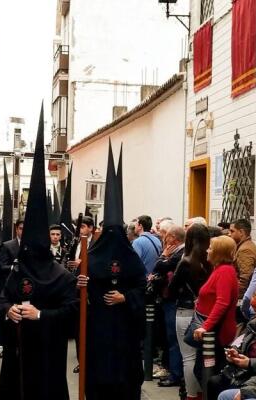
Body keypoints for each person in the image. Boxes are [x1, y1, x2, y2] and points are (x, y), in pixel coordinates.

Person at [0, 105, 78, 399]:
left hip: (47, 349)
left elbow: (71, 311)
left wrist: (40, 314)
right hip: (18, 347)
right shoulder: (19, 270)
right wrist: (11, 310)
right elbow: (4, 296)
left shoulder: (62, 276)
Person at [77, 141, 147, 400]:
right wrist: (81, 283)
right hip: (98, 326)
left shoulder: (131, 259)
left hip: (125, 328)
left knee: (125, 375)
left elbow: (142, 286)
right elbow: (79, 288)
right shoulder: (91, 256)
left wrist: (125, 297)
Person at [192, 235, 240, 398]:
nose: (207, 250)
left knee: (208, 372)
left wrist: (206, 326)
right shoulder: (220, 269)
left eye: (211, 248)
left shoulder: (224, 271)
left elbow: (222, 302)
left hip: (216, 333)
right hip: (213, 331)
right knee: (204, 370)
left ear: (219, 252)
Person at [169, 223, 212, 400]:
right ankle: (202, 392)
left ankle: (192, 395)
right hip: (205, 314)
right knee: (202, 357)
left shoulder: (185, 262)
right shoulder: (209, 263)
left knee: (188, 357)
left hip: (186, 311)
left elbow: (171, 290)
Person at [152, 225, 186, 388]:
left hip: (173, 300)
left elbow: (161, 266)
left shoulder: (178, 254)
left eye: (167, 236)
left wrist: (162, 257)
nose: (164, 238)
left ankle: (175, 374)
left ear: (174, 238)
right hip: (170, 300)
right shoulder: (178, 252)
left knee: (173, 339)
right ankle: (173, 371)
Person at [0, 219, 23, 354]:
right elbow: (0, 266)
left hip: (24, 287)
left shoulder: (32, 245)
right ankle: (5, 346)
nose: (23, 231)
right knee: (5, 315)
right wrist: (14, 267)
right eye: (21, 228)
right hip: (6, 284)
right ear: (16, 229)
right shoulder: (7, 245)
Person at [229, 219, 256, 302]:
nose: (229, 234)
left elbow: (245, 279)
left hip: (242, 298)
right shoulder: (246, 245)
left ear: (241, 232)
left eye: (232, 231)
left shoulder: (245, 250)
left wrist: (233, 297)